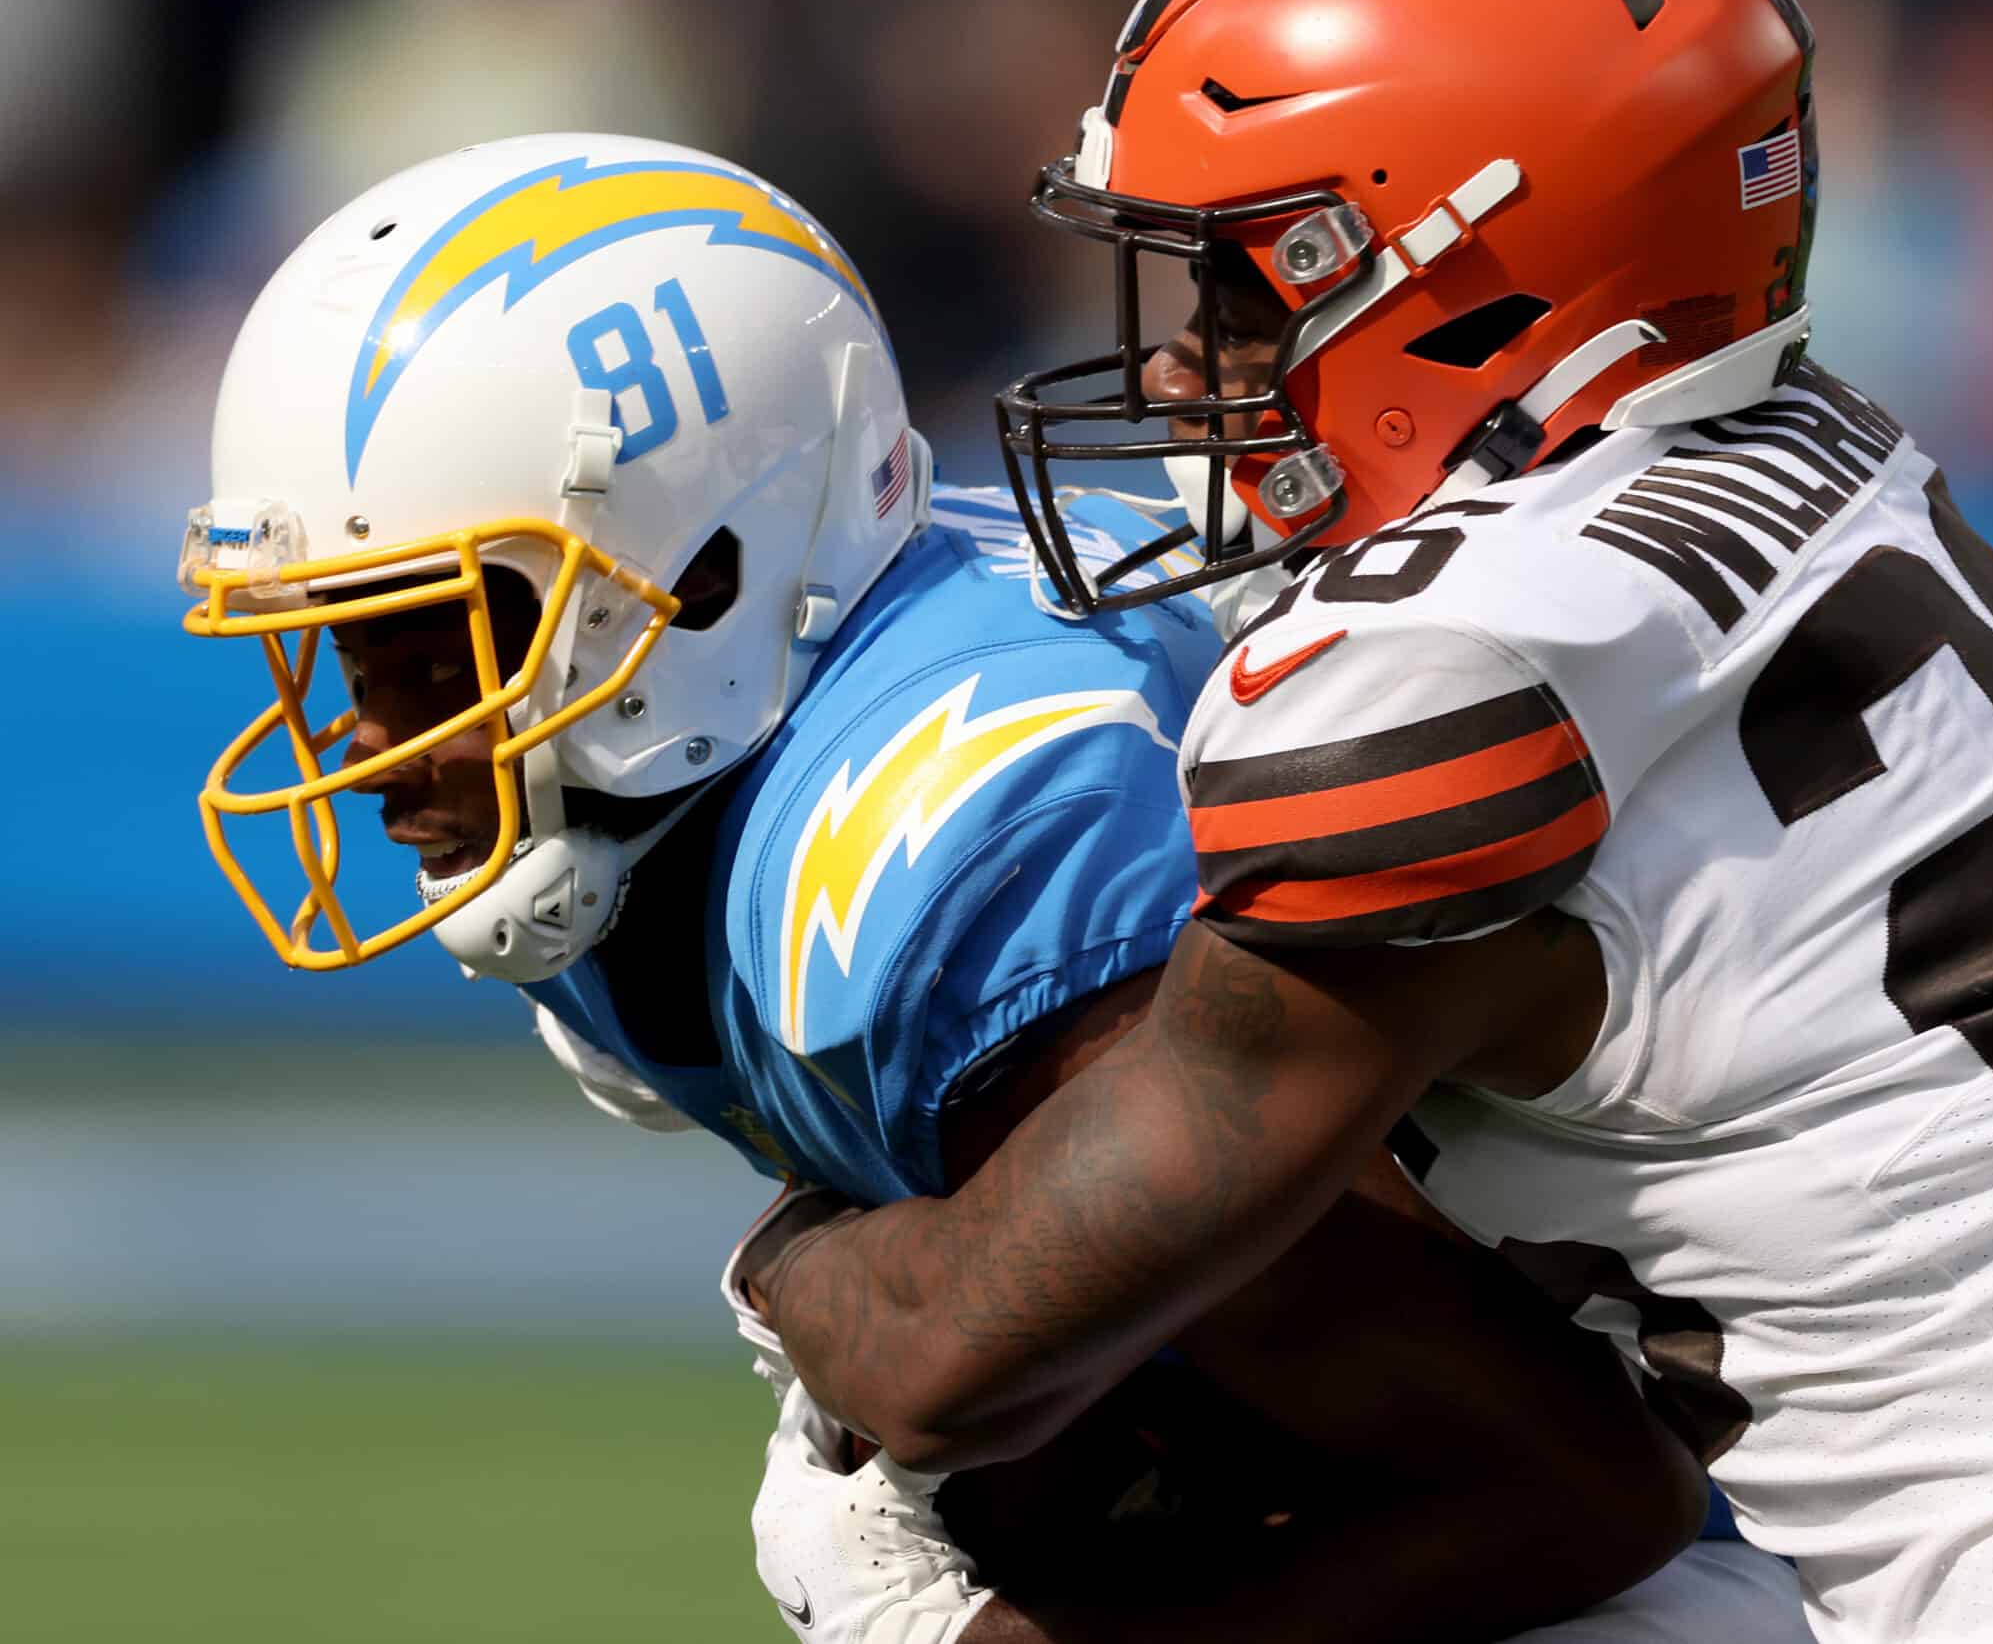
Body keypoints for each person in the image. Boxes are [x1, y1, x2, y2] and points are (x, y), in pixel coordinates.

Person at [742, 0, 1993, 1642]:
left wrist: (798, 1262)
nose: (1187, 368)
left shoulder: (1434, 676)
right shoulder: (1797, 442)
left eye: (1242, 288)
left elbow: (960, 1348)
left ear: (1473, 272)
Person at [176, 132, 1811, 1643]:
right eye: (341, 646)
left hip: (1760, 1532)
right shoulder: (674, 771)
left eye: (436, 644)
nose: (376, 741)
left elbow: (1575, 1492)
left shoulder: (943, 858)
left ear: (700, 579)